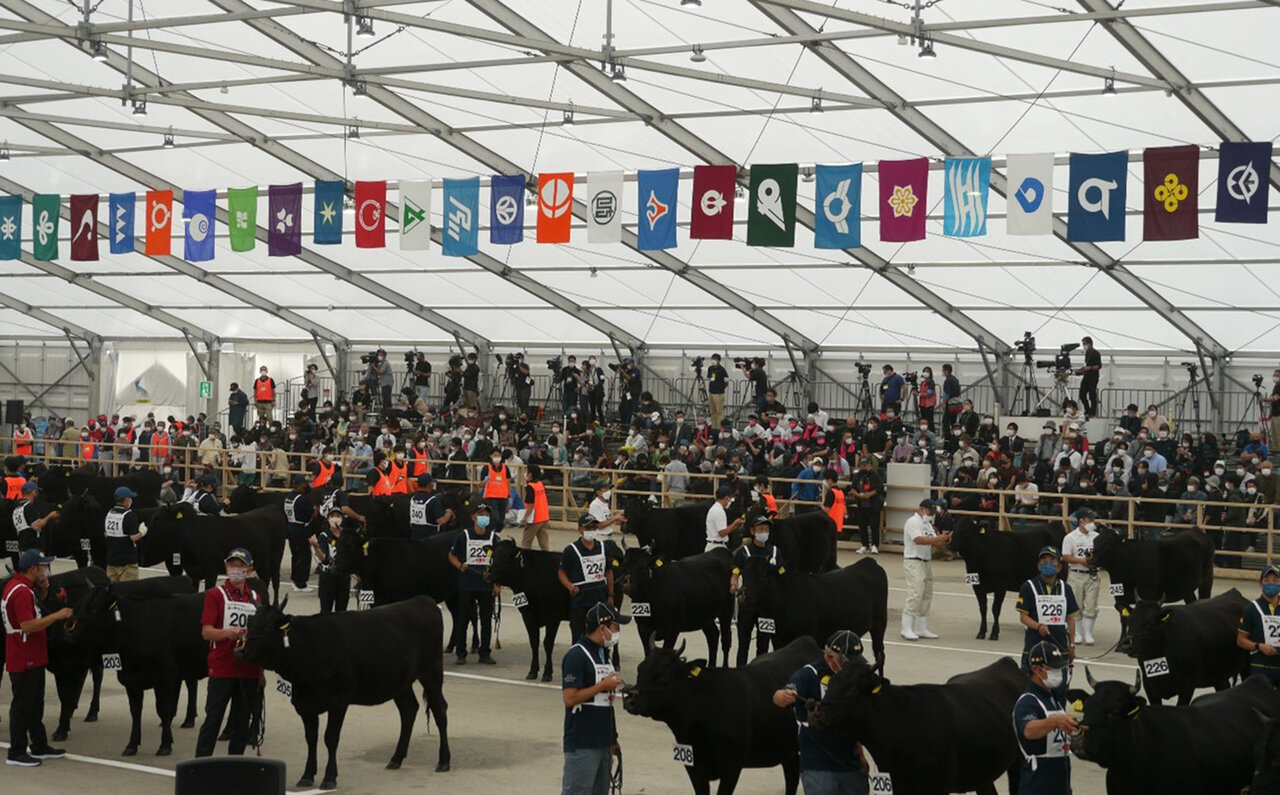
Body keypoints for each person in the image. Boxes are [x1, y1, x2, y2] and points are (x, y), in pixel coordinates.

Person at [772, 630, 870, 795]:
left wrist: (861, 755)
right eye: (847, 661)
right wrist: (784, 696)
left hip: (851, 765)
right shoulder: (809, 675)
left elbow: (854, 721)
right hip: (818, 766)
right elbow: (778, 697)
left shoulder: (854, 679)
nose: (853, 666)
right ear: (830, 657)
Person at [3, 549, 72, 767]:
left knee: (35, 703)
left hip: (32, 654)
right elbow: (27, 625)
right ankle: (16, 751)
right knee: (23, 704)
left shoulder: (23, 587)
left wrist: (42, 596)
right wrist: (57, 615)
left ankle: (39, 745)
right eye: (43, 566)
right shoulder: (22, 592)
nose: (46, 571)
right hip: (24, 655)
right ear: (33, 568)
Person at [195, 548, 264, 758]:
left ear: (249, 570)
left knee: (242, 722)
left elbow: (260, 637)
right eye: (232, 566)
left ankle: (236, 764)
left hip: (248, 670)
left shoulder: (255, 597)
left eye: (241, 567)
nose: (236, 570)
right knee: (213, 719)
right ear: (226, 568)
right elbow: (206, 632)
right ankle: (201, 764)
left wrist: (260, 672)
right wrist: (226, 633)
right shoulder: (216, 595)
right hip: (222, 667)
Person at [560, 601, 627, 795]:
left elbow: (607, 703)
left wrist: (613, 739)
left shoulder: (604, 655)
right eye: (616, 627)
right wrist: (603, 685)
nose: (617, 632)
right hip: (582, 741)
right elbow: (570, 698)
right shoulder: (576, 656)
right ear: (602, 627)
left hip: (603, 741)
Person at [1013, 641, 1076, 795]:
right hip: (1038, 783)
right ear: (1036, 669)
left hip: (1060, 781)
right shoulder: (1028, 701)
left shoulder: (1053, 699)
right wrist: (1055, 721)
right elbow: (1028, 730)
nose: (1059, 673)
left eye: (1061, 669)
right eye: (1054, 669)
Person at [1016, 548, 1078, 696]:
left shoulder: (1066, 589)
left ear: (1059, 567)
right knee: (1030, 687)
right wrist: (1038, 626)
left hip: (1059, 646)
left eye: (1052, 561)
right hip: (1034, 645)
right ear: (1038, 566)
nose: (1047, 565)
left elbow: (1070, 619)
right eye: (1044, 562)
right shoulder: (1028, 587)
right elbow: (1023, 617)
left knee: (1059, 688)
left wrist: (1072, 645)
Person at [448, 503, 501, 665]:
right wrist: (460, 566)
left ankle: (484, 653)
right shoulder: (463, 536)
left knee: (486, 621)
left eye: (486, 514)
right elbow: (452, 555)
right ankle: (461, 653)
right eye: (480, 514)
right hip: (467, 585)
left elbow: (498, 563)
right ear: (473, 517)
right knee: (463, 619)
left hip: (486, 586)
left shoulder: (493, 538)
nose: (484, 517)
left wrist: (497, 584)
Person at [731, 515, 784, 665]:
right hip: (747, 604)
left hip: (767, 607)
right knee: (743, 644)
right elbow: (735, 571)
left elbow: (782, 574)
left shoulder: (775, 552)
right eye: (761, 529)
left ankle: (760, 672)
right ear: (752, 531)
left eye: (766, 529)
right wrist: (734, 583)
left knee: (764, 645)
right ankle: (741, 672)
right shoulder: (744, 552)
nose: (764, 532)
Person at [559, 515, 615, 645]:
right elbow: (562, 572)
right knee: (578, 636)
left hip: (599, 599)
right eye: (588, 527)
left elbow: (608, 571)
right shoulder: (570, 550)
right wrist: (570, 586)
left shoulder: (603, 547)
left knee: (601, 635)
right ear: (580, 529)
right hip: (580, 601)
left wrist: (611, 594)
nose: (592, 530)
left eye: (594, 527)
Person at [901, 499, 949, 641]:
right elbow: (918, 540)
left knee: (926, 593)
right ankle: (906, 627)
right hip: (913, 560)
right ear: (922, 509)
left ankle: (921, 627)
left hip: (926, 561)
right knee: (915, 592)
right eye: (929, 512)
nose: (931, 515)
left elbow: (935, 542)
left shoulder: (928, 524)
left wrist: (945, 539)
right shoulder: (912, 522)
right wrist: (937, 539)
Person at [1060, 510, 1100, 646]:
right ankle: (1077, 632)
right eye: (1090, 520)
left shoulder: (1097, 537)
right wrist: (1081, 561)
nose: (1093, 523)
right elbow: (1065, 556)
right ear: (1081, 521)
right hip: (1076, 574)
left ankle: (1088, 633)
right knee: (1075, 604)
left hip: (1093, 574)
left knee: (1091, 604)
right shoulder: (1071, 537)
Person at [1237, 564, 1280, 688]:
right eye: (1267, 580)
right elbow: (1240, 640)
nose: (1271, 583)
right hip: (1261, 667)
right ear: (1260, 584)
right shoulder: (1251, 609)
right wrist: (1259, 646)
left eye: (1275, 580)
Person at [104, 486, 148, 583]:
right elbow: (133, 537)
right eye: (130, 498)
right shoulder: (129, 515)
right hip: (127, 562)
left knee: (112, 591)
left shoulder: (109, 513)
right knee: (127, 592)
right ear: (126, 499)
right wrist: (142, 532)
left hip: (111, 560)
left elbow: (106, 534)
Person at [310, 508, 350, 614]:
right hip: (328, 576)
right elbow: (323, 558)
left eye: (338, 516)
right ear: (327, 519)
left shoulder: (346, 536)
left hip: (343, 576)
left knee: (342, 611)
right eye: (332, 516)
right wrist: (316, 547)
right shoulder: (324, 536)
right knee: (325, 610)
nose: (335, 519)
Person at [283, 476, 314, 593]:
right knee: (304, 556)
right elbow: (311, 514)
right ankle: (301, 583)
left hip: (290, 526)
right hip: (301, 528)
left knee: (295, 555)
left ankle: (295, 579)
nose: (306, 486)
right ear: (298, 485)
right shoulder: (302, 499)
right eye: (304, 484)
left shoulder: (289, 497)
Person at [848, 457, 883, 554]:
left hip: (873, 504)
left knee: (874, 526)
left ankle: (875, 545)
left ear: (870, 465)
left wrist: (869, 494)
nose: (864, 467)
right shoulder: (858, 475)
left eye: (866, 465)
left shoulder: (875, 475)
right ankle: (864, 545)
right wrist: (858, 495)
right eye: (862, 465)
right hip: (861, 504)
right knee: (862, 526)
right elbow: (853, 488)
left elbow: (879, 488)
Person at [12, 481, 57, 554]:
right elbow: (37, 526)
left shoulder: (18, 506)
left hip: (22, 543)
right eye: (37, 492)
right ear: (34, 492)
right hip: (32, 546)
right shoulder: (29, 507)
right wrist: (50, 516)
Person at [409, 474, 452, 542]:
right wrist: (448, 514)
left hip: (414, 539)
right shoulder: (433, 501)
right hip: (430, 540)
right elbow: (441, 521)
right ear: (430, 485)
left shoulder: (413, 499)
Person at [705, 485, 745, 553]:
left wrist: (735, 526)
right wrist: (735, 523)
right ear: (726, 498)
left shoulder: (715, 508)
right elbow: (722, 533)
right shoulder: (719, 511)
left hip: (715, 546)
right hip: (716, 547)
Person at [482, 449, 513, 534]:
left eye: (499, 455)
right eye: (495, 455)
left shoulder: (505, 468)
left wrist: (509, 496)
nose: (497, 457)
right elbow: (480, 484)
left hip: (503, 496)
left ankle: (497, 533)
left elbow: (508, 482)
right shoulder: (486, 468)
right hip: (490, 496)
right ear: (491, 456)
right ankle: (489, 531)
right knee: (495, 517)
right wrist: (484, 481)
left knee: (501, 519)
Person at [522, 464, 552, 551]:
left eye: (526, 471)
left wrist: (524, 518)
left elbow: (530, 505)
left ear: (530, 474)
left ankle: (526, 561)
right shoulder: (540, 484)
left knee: (526, 542)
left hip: (534, 519)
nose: (525, 473)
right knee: (544, 544)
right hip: (544, 517)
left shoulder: (531, 487)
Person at [1076, 336, 1102, 418]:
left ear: (1089, 343)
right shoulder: (1087, 353)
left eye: (1084, 344)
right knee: (1082, 394)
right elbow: (1086, 364)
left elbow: (1099, 366)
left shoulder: (1095, 353)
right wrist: (1083, 369)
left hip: (1093, 377)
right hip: (1086, 376)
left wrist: (1089, 368)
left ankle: (1092, 412)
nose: (1083, 346)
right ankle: (1087, 409)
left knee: (1092, 394)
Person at [822, 469, 848, 538]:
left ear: (830, 480)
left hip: (829, 524)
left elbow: (826, 510)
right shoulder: (841, 492)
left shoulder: (831, 493)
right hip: (838, 525)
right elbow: (845, 510)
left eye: (826, 480)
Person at [706, 353, 728, 428]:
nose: (713, 361)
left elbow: (726, 381)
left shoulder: (722, 370)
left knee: (719, 412)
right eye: (712, 359)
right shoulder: (710, 368)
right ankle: (713, 427)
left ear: (719, 360)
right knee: (713, 412)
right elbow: (709, 378)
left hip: (718, 393)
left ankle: (719, 427)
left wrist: (721, 388)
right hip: (711, 392)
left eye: (715, 359)